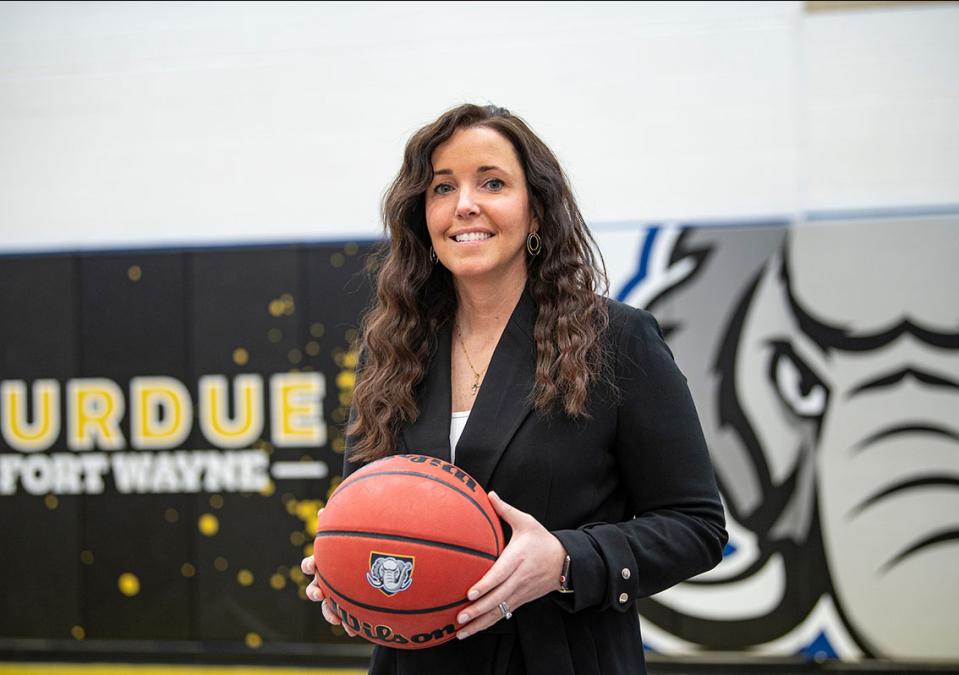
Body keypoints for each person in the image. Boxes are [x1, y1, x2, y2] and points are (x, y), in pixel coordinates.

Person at [300, 103, 727, 675]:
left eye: (493, 183)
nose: (465, 205)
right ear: (423, 217)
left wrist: (566, 561)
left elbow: (695, 526)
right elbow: (366, 504)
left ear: (537, 213)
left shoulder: (616, 340)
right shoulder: (393, 348)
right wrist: (349, 569)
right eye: (442, 187)